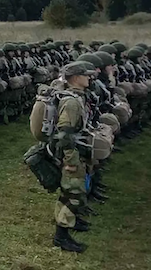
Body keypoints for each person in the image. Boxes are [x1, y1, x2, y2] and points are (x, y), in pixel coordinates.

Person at [51, 61, 94, 253]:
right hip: (71, 153)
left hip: (77, 150)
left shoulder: (76, 98)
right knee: (73, 194)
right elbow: (65, 133)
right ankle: (61, 236)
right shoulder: (71, 102)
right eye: (86, 75)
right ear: (76, 78)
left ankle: (70, 222)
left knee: (72, 191)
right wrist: (70, 161)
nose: (89, 78)